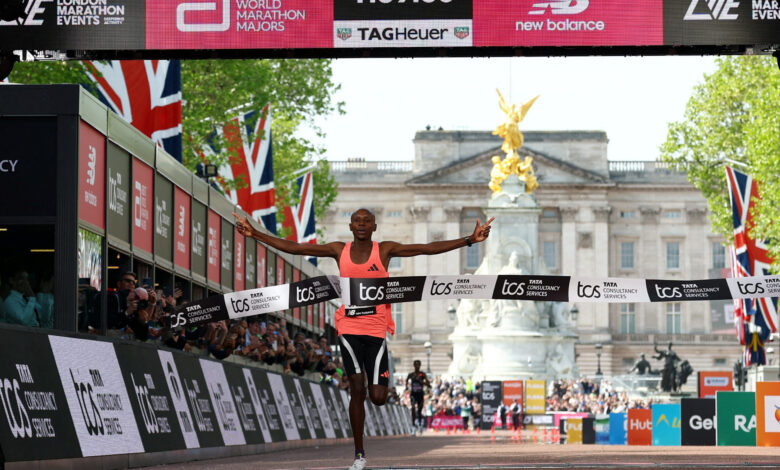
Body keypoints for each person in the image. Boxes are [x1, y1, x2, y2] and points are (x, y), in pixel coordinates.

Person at [235, 208, 493, 470]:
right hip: (348, 327)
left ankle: (373, 391)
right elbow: (298, 248)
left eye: (366, 221)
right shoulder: (339, 250)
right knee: (356, 390)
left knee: (378, 397)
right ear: (350, 226)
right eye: (357, 221)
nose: (361, 224)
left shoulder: (385, 250)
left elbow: (425, 249)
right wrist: (255, 234)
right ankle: (359, 454)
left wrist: (469, 240)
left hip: (376, 330)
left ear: (374, 227)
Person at [406, 359, 430, 435]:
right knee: (413, 409)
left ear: (420, 365)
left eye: (418, 365)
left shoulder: (422, 374)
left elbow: (428, 384)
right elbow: (406, 381)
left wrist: (421, 382)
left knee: (419, 411)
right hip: (413, 394)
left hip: (420, 394)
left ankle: (419, 425)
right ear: (414, 365)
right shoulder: (411, 375)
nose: (417, 366)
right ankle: (413, 426)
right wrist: (406, 388)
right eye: (415, 365)